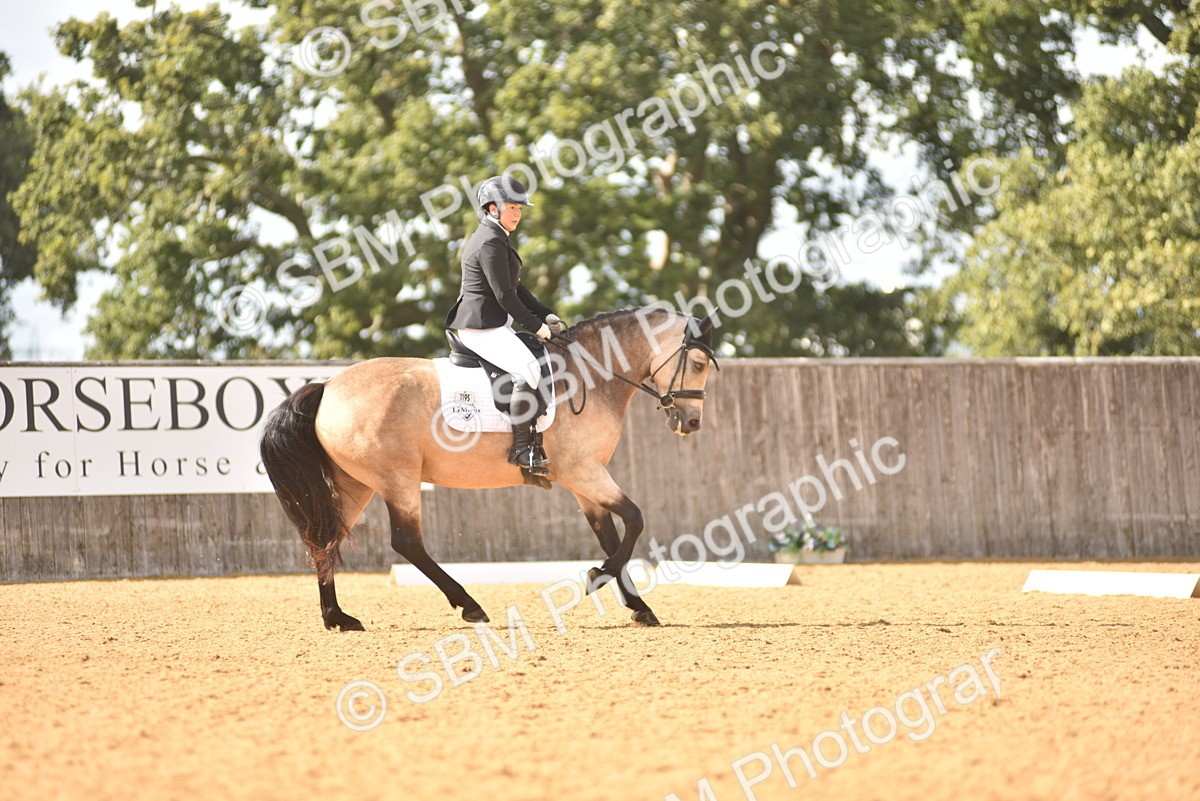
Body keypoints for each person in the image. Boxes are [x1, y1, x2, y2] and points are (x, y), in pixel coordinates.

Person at [444, 176, 566, 474]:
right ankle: (521, 450)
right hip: (481, 327)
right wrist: (537, 328)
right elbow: (504, 296)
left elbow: (517, 288)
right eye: (511, 207)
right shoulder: (489, 242)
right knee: (529, 369)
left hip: (493, 324)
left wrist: (546, 314)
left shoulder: (497, 238)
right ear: (492, 209)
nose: (517, 213)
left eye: (519, 208)